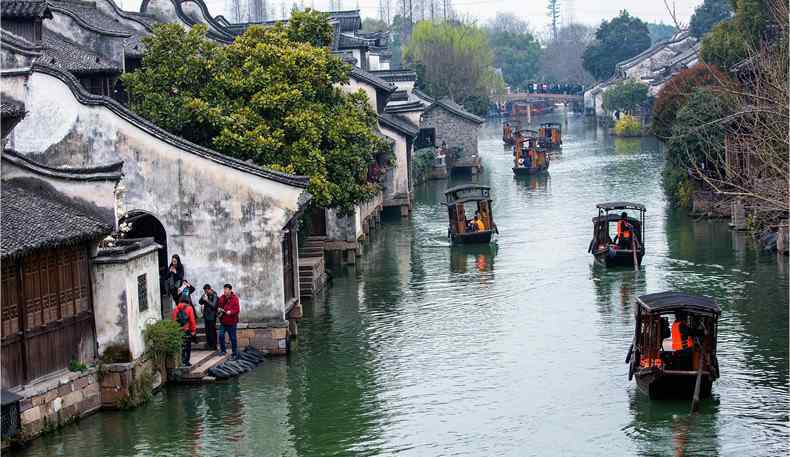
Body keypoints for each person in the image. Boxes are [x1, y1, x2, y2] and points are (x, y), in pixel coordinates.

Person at [172, 297, 197, 367]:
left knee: (181, 346)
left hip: (179, 330)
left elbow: (173, 321)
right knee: (188, 346)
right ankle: (187, 361)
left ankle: (182, 361)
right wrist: (193, 330)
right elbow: (192, 320)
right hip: (187, 329)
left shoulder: (175, 309)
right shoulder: (189, 308)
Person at [217, 283, 240, 359]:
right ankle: (223, 350)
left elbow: (237, 310)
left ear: (230, 290)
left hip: (232, 322)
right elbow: (219, 306)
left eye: (226, 289)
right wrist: (219, 309)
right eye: (224, 289)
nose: (225, 291)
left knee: (233, 338)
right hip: (223, 321)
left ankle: (234, 353)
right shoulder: (221, 298)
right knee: (221, 336)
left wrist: (231, 312)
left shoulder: (235, 298)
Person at [199, 284, 219, 351]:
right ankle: (209, 345)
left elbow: (214, 305)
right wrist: (203, 297)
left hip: (212, 316)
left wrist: (207, 300)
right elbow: (200, 302)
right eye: (204, 291)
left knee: (212, 331)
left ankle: (214, 345)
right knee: (207, 331)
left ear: (210, 289)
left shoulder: (214, 295)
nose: (205, 292)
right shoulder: (205, 295)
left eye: (206, 291)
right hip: (206, 316)